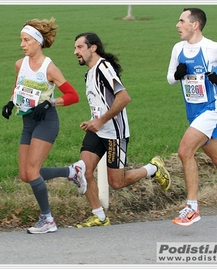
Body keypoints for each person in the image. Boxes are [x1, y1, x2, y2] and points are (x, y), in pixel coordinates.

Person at [72, 32, 171, 228]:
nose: (75, 52)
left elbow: (124, 98)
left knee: (116, 183)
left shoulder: (104, 68)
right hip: (97, 131)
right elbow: (101, 103)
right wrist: (93, 122)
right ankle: (99, 216)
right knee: (83, 171)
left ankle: (153, 168)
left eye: (80, 47)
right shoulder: (90, 73)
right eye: (75, 48)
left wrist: (100, 121)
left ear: (93, 48)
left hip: (114, 134)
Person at [1, 18, 84, 234]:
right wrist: (11, 102)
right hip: (27, 122)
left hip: (46, 122)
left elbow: (73, 96)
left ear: (37, 42)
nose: (22, 44)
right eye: (21, 40)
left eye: (26, 40)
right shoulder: (20, 64)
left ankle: (47, 219)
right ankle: (72, 171)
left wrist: (49, 102)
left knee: (32, 170)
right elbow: (17, 87)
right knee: (25, 174)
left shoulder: (49, 68)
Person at [167, 7, 217, 225]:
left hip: (212, 108)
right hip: (193, 111)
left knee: (185, 151)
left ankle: (192, 208)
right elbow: (170, 79)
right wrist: (178, 74)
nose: (177, 25)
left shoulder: (212, 48)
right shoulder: (178, 48)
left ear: (195, 25)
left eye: (181, 21)